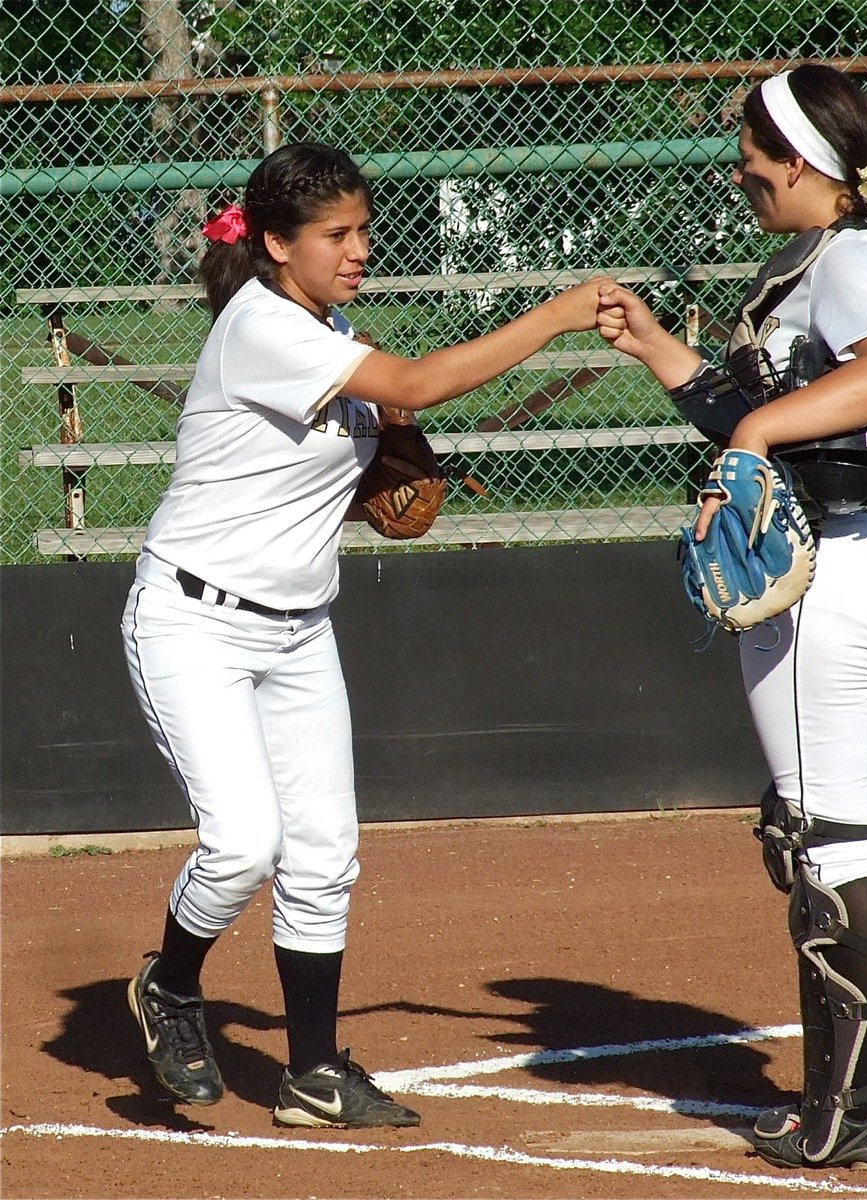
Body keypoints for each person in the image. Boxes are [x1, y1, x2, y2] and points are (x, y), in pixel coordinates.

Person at [122, 140, 607, 1129]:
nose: (358, 249)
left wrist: (369, 485)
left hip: (299, 629)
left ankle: (310, 1072)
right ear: (274, 244)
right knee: (241, 845)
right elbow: (419, 384)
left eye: (362, 229)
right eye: (334, 234)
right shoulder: (262, 327)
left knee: (325, 854)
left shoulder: (326, 324)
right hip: (194, 622)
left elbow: (292, 475)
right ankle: (170, 985)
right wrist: (558, 314)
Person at [597, 65, 867, 1172]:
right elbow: (760, 410)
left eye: (755, 151)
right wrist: (660, 352)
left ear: (807, 161)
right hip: (863, 559)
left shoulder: (857, 254)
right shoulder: (813, 261)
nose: (743, 169)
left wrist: (756, 442)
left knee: (829, 840)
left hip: (848, 566)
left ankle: (851, 1107)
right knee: (832, 826)